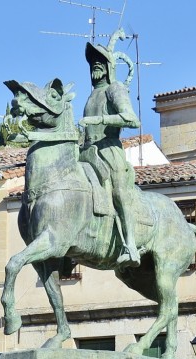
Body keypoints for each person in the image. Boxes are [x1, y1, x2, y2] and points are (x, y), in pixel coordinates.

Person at [79, 31, 142, 266]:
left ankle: (131, 245)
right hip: (86, 152)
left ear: (108, 66)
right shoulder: (91, 95)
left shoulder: (114, 89)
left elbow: (131, 119)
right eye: (92, 62)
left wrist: (98, 121)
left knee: (118, 192)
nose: (95, 65)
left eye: (99, 61)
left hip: (109, 150)